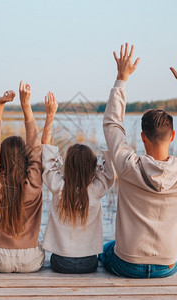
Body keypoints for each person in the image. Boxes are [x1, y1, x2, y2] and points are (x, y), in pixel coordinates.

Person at [100, 43, 177, 278]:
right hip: (168, 266)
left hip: (126, 264)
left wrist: (122, 78)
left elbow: (112, 124)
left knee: (105, 249)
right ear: (172, 136)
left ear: (142, 137)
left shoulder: (128, 165)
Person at [41, 92, 115, 274]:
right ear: (92, 167)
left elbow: (46, 151)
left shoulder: (58, 186)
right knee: (110, 247)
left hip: (60, 262)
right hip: (88, 263)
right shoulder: (97, 189)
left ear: (67, 165)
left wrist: (50, 116)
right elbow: (110, 162)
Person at [0, 81, 44, 273]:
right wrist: (27, 107)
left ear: (1, 159)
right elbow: (36, 150)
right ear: (25, 161)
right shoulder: (33, 184)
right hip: (30, 260)